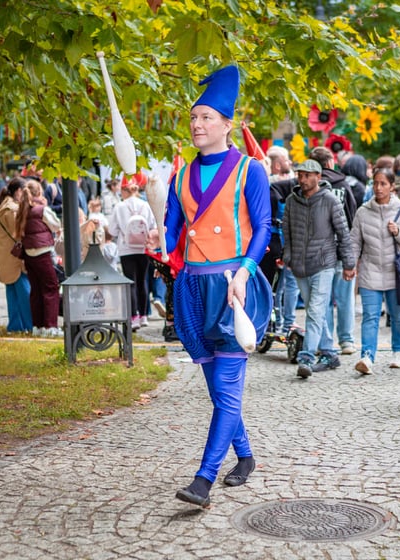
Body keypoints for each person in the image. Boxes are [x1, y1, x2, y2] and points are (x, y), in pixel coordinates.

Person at [163, 65, 272, 508]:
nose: (197, 124)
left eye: (206, 117)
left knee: (226, 388)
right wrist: (163, 237)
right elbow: (171, 232)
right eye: (193, 117)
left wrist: (245, 272)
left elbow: (264, 227)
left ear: (227, 124)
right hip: (192, 289)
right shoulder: (180, 175)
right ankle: (244, 456)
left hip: (233, 288)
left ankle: (203, 481)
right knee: (216, 389)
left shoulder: (251, 170)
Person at [283, 158, 355, 378]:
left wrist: (349, 263)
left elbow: (343, 233)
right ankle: (329, 352)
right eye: (300, 175)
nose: (302, 179)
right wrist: (287, 256)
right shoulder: (291, 201)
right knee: (317, 311)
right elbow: (286, 231)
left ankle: (306, 358)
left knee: (314, 310)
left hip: (324, 264)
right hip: (299, 265)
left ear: (318, 177)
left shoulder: (331, 200)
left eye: (307, 175)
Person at [350, 167, 400, 374]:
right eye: (375, 183)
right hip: (370, 272)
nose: (378, 188)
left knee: (398, 316)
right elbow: (355, 242)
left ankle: (398, 352)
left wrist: (399, 233)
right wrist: (351, 264)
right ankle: (367, 357)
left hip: (396, 273)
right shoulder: (363, 212)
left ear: (392, 186)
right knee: (370, 317)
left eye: (383, 184)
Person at [310, 146, 358, 355]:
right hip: (340, 249)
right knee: (345, 297)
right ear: (330, 162)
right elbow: (351, 217)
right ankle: (346, 340)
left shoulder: (307, 188)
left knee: (322, 300)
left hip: (317, 252)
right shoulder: (343, 185)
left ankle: (324, 342)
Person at [107, 176, 158, 331]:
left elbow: (112, 230)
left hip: (126, 248)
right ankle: (144, 316)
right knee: (143, 281)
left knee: (131, 282)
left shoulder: (119, 207)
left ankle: (133, 317)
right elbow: (152, 225)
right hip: (143, 247)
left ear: (124, 190)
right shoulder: (145, 205)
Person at [16, 179, 62, 337]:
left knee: (36, 290)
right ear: (40, 193)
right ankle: (50, 326)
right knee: (51, 288)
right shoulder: (42, 209)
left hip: (29, 254)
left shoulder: (23, 210)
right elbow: (56, 225)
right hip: (43, 252)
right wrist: (46, 206)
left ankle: (38, 326)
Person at [0, 178, 33, 333]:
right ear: (19, 191)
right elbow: (17, 232)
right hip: (14, 258)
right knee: (24, 293)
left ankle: (16, 326)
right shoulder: (11, 209)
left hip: (6, 256)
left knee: (13, 293)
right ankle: (29, 325)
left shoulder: (4, 205)